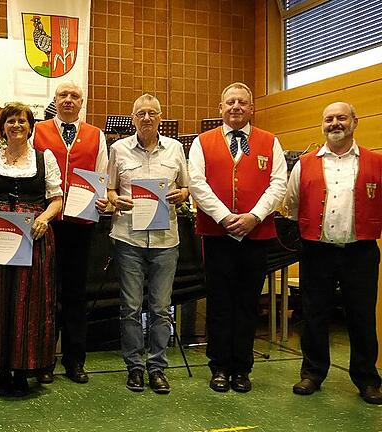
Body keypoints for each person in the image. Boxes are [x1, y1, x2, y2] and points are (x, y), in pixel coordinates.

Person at [188, 82, 287, 393]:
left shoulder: (270, 142)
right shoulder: (202, 143)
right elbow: (197, 183)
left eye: (242, 102)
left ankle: (242, 369)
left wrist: (253, 217)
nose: (235, 107)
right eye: (229, 102)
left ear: (251, 108)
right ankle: (218, 367)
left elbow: (278, 185)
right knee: (218, 303)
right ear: (220, 108)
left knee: (247, 304)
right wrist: (225, 217)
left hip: (256, 237)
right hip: (217, 235)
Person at [285, 102, 382, 405]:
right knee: (314, 314)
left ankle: (367, 379)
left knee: (362, 316)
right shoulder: (304, 163)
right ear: (322, 125)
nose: (335, 123)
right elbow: (291, 204)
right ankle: (312, 373)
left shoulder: (376, 163)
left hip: (361, 250)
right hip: (317, 250)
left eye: (341, 118)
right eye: (329, 119)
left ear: (355, 121)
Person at [0, 102, 63, 397]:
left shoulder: (44, 158)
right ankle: (1, 369)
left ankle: (24, 369)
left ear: (30, 126)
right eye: (10, 121)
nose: (16, 125)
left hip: (33, 237)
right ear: (3, 127)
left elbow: (57, 198)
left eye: (22, 120)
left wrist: (45, 219)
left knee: (29, 301)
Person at [107, 94, 189, 394]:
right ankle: (134, 368)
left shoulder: (176, 149)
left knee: (161, 308)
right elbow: (110, 190)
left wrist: (182, 195)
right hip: (128, 238)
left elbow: (186, 188)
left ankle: (157, 367)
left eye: (152, 113)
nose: (146, 118)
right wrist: (117, 200)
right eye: (140, 113)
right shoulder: (118, 149)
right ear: (132, 118)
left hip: (166, 241)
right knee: (129, 307)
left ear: (160, 117)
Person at [31, 82, 108, 384]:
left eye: (74, 96)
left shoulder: (96, 135)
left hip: (80, 224)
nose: (68, 100)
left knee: (76, 295)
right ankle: (44, 360)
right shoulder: (37, 131)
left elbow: (101, 176)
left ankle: (75, 361)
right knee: (45, 294)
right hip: (45, 224)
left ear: (82, 102)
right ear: (54, 100)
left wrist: (102, 199)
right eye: (63, 95)